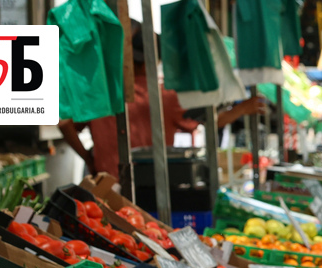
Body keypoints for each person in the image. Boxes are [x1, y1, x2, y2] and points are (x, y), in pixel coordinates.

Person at [58, 20, 265, 179]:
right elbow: (211, 123)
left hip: (105, 183)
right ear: (150, 61)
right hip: (149, 182)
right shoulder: (164, 96)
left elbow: (65, 123)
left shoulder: (102, 92)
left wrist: (89, 159)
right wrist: (242, 109)